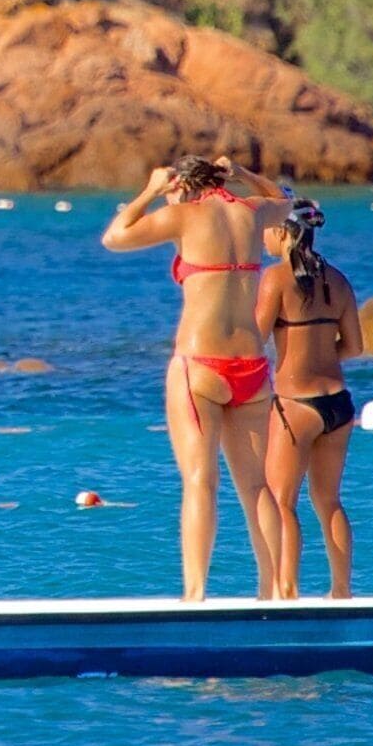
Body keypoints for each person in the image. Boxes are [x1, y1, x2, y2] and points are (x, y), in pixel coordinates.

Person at [101, 155, 296, 600]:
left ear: (182, 186)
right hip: (252, 365)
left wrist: (150, 191)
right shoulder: (251, 213)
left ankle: (195, 593)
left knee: (199, 481)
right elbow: (285, 202)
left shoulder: (182, 215)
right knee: (256, 486)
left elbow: (114, 237)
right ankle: (273, 592)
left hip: (200, 366)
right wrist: (245, 176)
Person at [257, 196, 365, 599]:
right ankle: (341, 592)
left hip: (295, 406)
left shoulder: (275, 278)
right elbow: (354, 346)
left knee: (282, 501)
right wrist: (319, 355)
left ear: (284, 232)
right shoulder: (338, 279)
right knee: (329, 501)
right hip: (338, 402)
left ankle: (288, 590)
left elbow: (253, 339)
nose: (263, 235)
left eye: (268, 227)